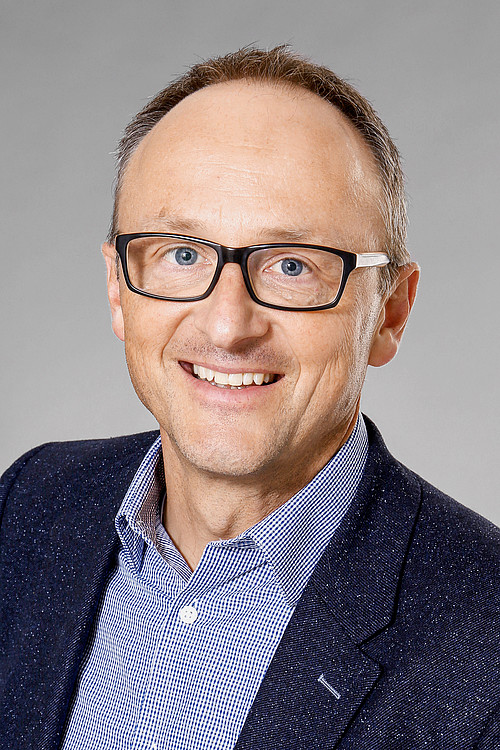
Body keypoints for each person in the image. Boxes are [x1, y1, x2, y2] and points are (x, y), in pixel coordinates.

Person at [1, 46, 499, 750]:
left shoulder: (485, 636)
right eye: (181, 254)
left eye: (292, 265)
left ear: (391, 312)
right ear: (117, 288)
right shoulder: (32, 503)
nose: (227, 327)